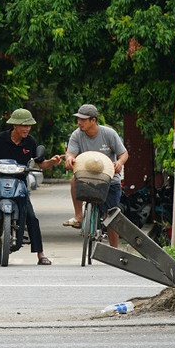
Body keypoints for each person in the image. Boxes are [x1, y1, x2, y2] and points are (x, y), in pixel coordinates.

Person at [0, 108, 62, 265]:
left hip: (19, 183)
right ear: (14, 125)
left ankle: (40, 254)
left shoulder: (31, 142)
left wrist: (52, 162)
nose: (27, 129)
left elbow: (41, 163)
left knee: (31, 216)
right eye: (23, 126)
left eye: (29, 126)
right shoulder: (0, 138)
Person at [62, 104, 128, 249]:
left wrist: (119, 162)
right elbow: (71, 153)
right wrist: (69, 158)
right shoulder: (76, 134)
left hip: (108, 178)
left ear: (93, 120)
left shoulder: (109, 134)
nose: (79, 122)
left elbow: (124, 153)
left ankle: (114, 249)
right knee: (74, 179)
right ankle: (79, 216)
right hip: (86, 177)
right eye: (78, 119)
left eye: (83, 119)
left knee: (111, 216)